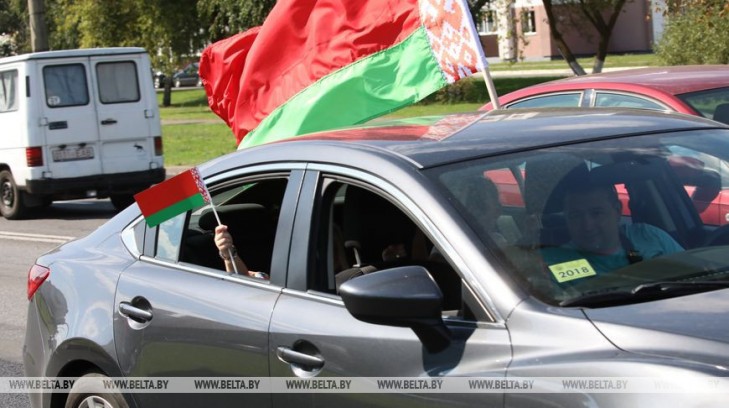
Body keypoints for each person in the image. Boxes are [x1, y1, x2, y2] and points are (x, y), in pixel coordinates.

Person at [541, 181, 683, 280]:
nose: (587, 226)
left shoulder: (648, 236)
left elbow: (692, 270)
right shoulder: (555, 261)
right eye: (576, 216)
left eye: (596, 213)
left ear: (617, 210)